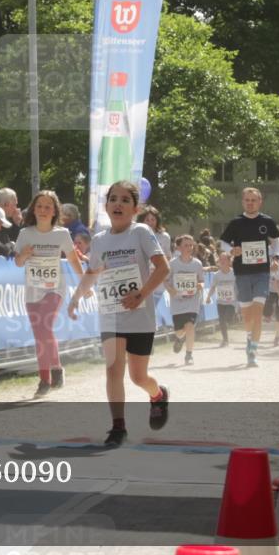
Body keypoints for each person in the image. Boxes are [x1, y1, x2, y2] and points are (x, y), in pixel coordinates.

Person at [68, 180, 171, 447]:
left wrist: (140, 295)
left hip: (140, 314)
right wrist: (76, 298)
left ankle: (158, 395)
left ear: (135, 208)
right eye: (113, 199)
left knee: (138, 377)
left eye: (125, 200)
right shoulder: (100, 240)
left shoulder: (142, 233)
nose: (118, 203)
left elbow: (163, 268)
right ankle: (118, 427)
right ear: (106, 206)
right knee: (113, 369)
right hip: (111, 314)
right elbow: (92, 273)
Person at [15, 190, 85, 396]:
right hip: (32, 290)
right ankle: (57, 368)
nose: (43, 210)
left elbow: (73, 259)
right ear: (33, 210)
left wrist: (84, 283)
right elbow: (18, 263)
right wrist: (25, 255)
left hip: (54, 288)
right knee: (41, 335)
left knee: (45, 328)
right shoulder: (25, 234)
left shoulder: (62, 234)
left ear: (55, 210)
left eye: (48, 207)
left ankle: (44, 380)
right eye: (40, 206)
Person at [218, 187, 279, 368]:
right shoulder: (236, 222)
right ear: (242, 202)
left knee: (257, 313)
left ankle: (252, 351)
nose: (250, 203)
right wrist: (231, 250)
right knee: (247, 317)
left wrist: (275, 258)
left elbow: (276, 240)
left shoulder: (267, 221)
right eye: (247, 200)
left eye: (253, 200)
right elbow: (222, 242)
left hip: (262, 272)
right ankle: (249, 339)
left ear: (260, 202)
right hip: (242, 273)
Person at [166, 235, 205, 365]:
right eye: (186, 245)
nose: (189, 247)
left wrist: (200, 286)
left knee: (190, 326)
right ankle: (179, 338)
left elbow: (202, 281)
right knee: (179, 331)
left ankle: (189, 355)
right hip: (177, 303)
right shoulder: (172, 263)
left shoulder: (197, 263)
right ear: (179, 247)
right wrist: (170, 289)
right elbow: (164, 280)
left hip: (192, 302)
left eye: (191, 245)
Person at [205, 251, 236, 348]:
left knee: (227, 318)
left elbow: (239, 285)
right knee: (222, 320)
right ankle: (225, 340)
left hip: (231, 301)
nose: (222, 261)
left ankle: (232, 318)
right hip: (221, 301)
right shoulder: (217, 275)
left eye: (224, 259)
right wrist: (208, 297)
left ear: (229, 261)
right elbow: (213, 287)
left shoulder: (234, 273)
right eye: (220, 259)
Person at [263, 254, 279, 326]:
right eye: (273, 259)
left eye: (276, 259)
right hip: (270, 289)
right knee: (268, 303)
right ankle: (267, 316)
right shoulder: (268, 269)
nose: (275, 261)